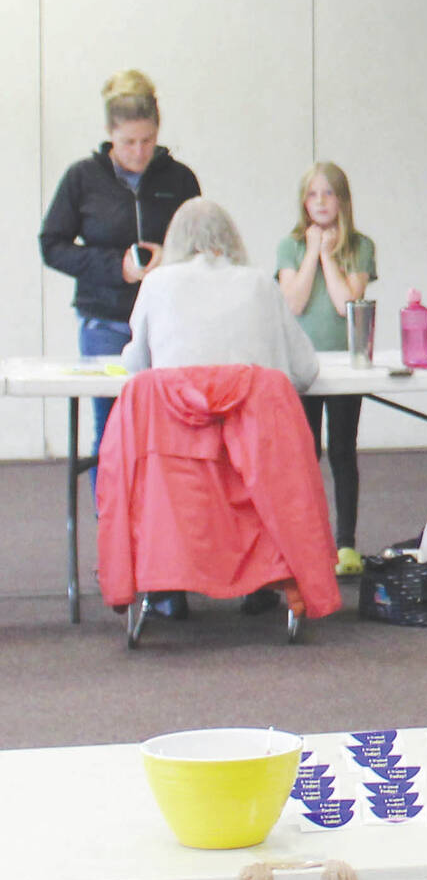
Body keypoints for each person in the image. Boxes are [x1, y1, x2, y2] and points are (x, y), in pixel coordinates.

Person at [119, 198, 321, 619]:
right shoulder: (259, 285)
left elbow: (137, 370)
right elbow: (304, 371)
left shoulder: (155, 285)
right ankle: (265, 578)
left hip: (180, 461)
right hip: (252, 462)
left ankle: (166, 585)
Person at [38, 69, 202, 466]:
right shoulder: (82, 178)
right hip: (105, 321)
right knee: (111, 426)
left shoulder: (180, 180)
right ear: (110, 134)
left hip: (167, 323)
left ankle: (158, 522)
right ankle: (110, 521)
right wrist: (116, 267)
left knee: (168, 426)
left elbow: (202, 246)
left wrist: (171, 256)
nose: (139, 151)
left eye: (148, 140)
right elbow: (52, 245)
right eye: (128, 142)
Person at [278, 162, 377, 575]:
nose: (320, 202)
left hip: (345, 365)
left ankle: (346, 544)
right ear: (304, 202)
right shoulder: (290, 245)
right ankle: (306, 541)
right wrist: (310, 255)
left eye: (328, 194)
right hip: (302, 365)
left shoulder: (360, 246)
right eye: (313, 194)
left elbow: (346, 304)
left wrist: (327, 256)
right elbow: (293, 302)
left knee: (341, 451)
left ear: (342, 200)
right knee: (303, 454)